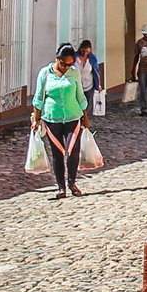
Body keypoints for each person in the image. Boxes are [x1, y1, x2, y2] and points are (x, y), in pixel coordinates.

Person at [31, 44, 89, 198]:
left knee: (72, 151)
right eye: (63, 64)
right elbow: (38, 98)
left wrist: (85, 116)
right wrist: (36, 119)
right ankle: (61, 187)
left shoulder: (74, 73)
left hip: (73, 117)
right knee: (57, 154)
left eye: (70, 64)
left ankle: (72, 182)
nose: (66, 68)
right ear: (57, 59)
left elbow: (80, 96)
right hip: (52, 119)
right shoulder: (45, 73)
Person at [78, 37, 106, 117]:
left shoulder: (92, 58)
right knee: (77, 104)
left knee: (86, 104)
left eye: (87, 51)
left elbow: (97, 72)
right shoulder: (75, 58)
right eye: (83, 51)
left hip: (88, 85)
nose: (85, 53)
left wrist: (99, 84)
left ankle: (83, 119)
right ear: (80, 48)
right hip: (76, 85)